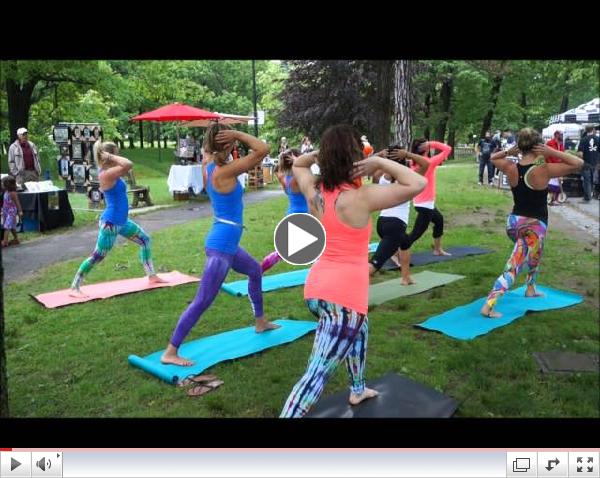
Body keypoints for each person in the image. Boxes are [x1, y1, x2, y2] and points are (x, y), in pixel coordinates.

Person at [279, 124, 427, 417]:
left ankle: (358, 389)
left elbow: (298, 162)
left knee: (361, 329)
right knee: (315, 377)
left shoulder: (314, 191)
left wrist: (325, 153)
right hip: (344, 298)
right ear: (354, 158)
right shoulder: (361, 197)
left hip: (317, 290)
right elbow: (416, 184)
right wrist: (379, 162)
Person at [162, 124, 280, 367]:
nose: (235, 145)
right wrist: (236, 134)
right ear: (226, 145)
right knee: (203, 299)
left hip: (228, 243)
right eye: (232, 143)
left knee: (255, 271)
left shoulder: (212, 165)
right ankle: (171, 351)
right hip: (221, 247)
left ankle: (260, 322)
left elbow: (209, 147)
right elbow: (263, 149)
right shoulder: (222, 173)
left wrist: (220, 135)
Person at [480, 128, 583, 318]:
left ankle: (530, 288)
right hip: (533, 226)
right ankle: (488, 306)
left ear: (520, 146)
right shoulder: (543, 170)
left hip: (514, 223)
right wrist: (551, 152)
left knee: (535, 253)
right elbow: (578, 163)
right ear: (538, 147)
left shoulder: (511, 167)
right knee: (514, 265)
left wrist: (509, 152)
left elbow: (493, 158)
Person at [69, 141, 166, 298]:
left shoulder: (111, 171)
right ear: (109, 157)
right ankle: (74, 287)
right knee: (98, 255)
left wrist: (109, 156)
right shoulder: (106, 174)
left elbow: (126, 166)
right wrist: (110, 155)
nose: (118, 156)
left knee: (145, 240)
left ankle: (152, 276)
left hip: (121, 222)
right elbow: (128, 164)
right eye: (116, 153)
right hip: (111, 223)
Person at [368, 145, 430, 285]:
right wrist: (408, 154)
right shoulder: (411, 179)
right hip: (395, 226)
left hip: (383, 222)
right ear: (403, 160)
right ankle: (348, 290)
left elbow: (370, 162)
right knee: (374, 264)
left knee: (405, 243)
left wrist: (379, 154)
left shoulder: (380, 176)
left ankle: (406, 277)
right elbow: (426, 163)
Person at [261, 148, 309, 273]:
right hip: (301, 217)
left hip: (294, 215)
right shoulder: (297, 180)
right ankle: (257, 271)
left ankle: (257, 271)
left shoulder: (286, 178)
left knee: (284, 252)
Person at [407, 138, 453, 256]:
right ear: (425, 148)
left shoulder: (413, 163)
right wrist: (431, 144)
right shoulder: (429, 162)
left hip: (422, 203)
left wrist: (426, 145)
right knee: (417, 233)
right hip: (425, 204)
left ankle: (437, 249)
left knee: (439, 221)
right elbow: (448, 149)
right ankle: (397, 250)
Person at [577, 125, 599, 202]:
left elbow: (580, 154)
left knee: (587, 181)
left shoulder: (583, 139)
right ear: (593, 129)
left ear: (586, 130)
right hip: (595, 163)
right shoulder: (598, 139)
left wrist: (580, 161)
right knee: (593, 180)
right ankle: (591, 195)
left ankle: (587, 198)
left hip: (586, 163)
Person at [1, 176, 23, 247]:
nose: (2, 185)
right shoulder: (6, 192)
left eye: (3, 184)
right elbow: (4, 202)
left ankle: (5, 241)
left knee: (7, 226)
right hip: (5, 211)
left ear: (8, 185)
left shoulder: (13, 193)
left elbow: (17, 203)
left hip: (11, 212)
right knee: (12, 227)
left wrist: (20, 211)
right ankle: (16, 239)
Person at [545, 130, 564, 205]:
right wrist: (550, 164)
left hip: (558, 166)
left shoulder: (561, 144)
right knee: (552, 184)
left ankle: (555, 199)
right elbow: (547, 155)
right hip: (551, 166)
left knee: (558, 183)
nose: (562, 136)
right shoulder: (550, 143)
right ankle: (551, 200)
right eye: (560, 134)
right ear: (556, 135)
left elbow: (562, 154)